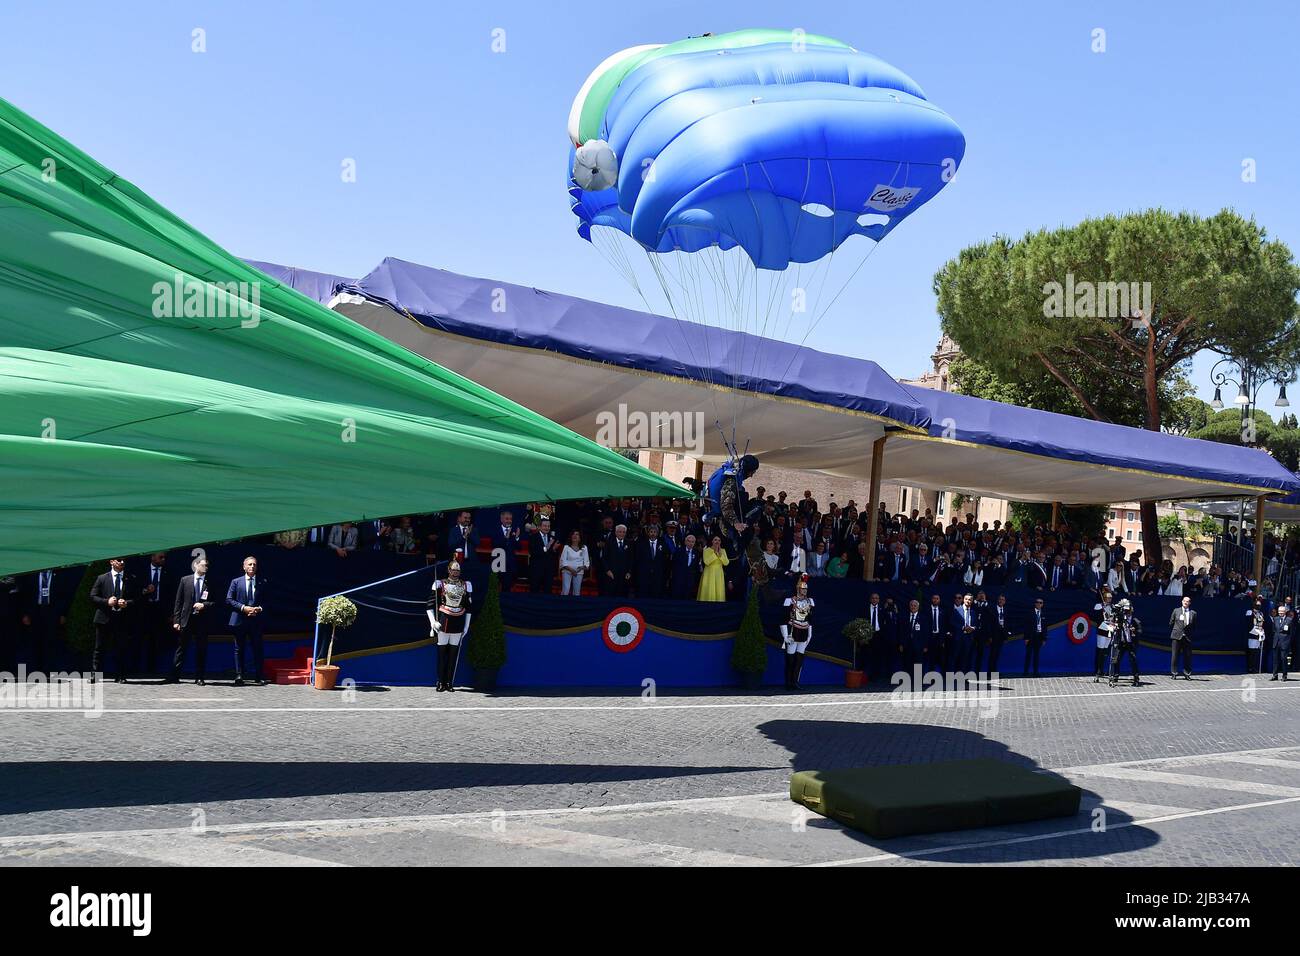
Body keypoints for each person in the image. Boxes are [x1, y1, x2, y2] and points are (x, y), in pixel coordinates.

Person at [426, 555, 472, 692]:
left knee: (453, 654)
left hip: (458, 620)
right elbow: (430, 606)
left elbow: (469, 608)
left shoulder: (466, 585)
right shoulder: (440, 583)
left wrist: (467, 625)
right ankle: (440, 681)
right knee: (442, 653)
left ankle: (449, 682)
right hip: (444, 619)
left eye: (458, 570)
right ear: (448, 570)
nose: (456, 572)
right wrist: (433, 622)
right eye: (453, 570)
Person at [170, 557, 217, 685]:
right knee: (181, 648)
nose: (205, 567)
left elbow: (215, 602)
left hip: (201, 621)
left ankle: (200, 677)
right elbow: (178, 602)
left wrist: (204, 605)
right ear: (196, 565)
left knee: (201, 649)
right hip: (186, 620)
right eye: (203, 565)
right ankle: (175, 676)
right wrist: (176, 620)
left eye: (207, 566)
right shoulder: (185, 580)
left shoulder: (210, 582)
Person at [89, 557, 134, 683]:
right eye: (119, 560)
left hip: (121, 619)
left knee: (121, 647)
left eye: (124, 560)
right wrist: (106, 602)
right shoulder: (102, 578)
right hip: (104, 618)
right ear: (112, 562)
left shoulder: (130, 578)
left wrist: (126, 603)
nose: (122, 563)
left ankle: (120, 675)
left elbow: (137, 598)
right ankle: (95, 675)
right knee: (99, 648)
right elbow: (93, 596)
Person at [227, 556, 266, 686]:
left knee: (257, 648)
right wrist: (244, 608)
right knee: (239, 648)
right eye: (249, 564)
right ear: (244, 566)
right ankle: (239, 675)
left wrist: (258, 608)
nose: (252, 567)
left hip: (255, 620)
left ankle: (259, 675)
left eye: (254, 564)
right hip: (240, 619)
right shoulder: (236, 582)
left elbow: (267, 600)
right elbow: (229, 599)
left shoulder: (262, 581)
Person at [136, 552, 170, 678]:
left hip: (159, 609)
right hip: (143, 609)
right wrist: (145, 591)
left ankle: (152, 668)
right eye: (160, 557)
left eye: (164, 557)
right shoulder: (141, 571)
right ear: (152, 557)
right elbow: (134, 589)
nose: (163, 559)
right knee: (138, 638)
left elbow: (171, 593)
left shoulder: (168, 572)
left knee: (155, 639)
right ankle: (135, 667)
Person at [780, 574, 814, 690]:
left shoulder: (810, 602)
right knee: (790, 659)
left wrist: (810, 634)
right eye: (802, 588)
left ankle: (795, 681)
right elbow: (783, 619)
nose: (804, 591)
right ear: (798, 589)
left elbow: (810, 620)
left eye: (806, 589)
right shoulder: (790, 601)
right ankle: (788, 682)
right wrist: (785, 636)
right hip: (793, 632)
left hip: (804, 631)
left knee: (799, 659)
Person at [1109, 598, 1142, 687]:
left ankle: (1136, 678)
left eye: (1128, 610)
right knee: (1116, 659)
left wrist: (1134, 631)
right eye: (1125, 610)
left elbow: (1140, 631)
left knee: (1133, 660)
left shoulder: (1135, 620)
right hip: (1121, 642)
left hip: (1130, 643)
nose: (1127, 612)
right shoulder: (1120, 619)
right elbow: (1112, 623)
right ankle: (1115, 676)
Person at [634, 524, 670, 598]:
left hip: (658, 576)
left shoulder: (663, 544)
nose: (653, 534)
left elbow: (666, 561)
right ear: (648, 533)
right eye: (651, 532)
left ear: (657, 533)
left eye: (655, 532)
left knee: (656, 595)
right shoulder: (641, 544)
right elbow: (637, 559)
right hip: (644, 576)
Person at [489, 510, 521, 591]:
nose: (509, 521)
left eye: (510, 519)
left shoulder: (514, 531)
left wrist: (517, 537)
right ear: (501, 519)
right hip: (498, 564)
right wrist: (506, 537)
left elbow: (519, 548)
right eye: (507, 519)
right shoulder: (495, 530)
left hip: (510, 566)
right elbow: (495, 545)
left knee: (507, 589)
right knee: (495, 589)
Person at [527, 517, 560, 594]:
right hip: (536, 570)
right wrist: (546, 547)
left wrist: (554, 549)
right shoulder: (533, 537)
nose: (547, 528)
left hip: (548, 571)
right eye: (545, 526)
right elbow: (534, 552)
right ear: (539, 527)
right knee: (534, 592)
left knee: (547, 592)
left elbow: (554, 555)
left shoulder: (552, 538)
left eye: (548, 526)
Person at [1168, 595, 1196, 680]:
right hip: (1176, 636)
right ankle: (1174, 673)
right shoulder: (1176, 611)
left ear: (1189, 603)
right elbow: (1171, 622)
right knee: (1174, 656)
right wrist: (1177, 630)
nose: (1185, 602)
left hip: (1187, 637)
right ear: (1182, 601)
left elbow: (1194, 625)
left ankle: (1187, 674)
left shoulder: (1193, 613)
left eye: (1187, 601)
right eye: (1184, 601)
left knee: (1187, 656)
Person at [602, 524, 634, 597]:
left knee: (623, 596)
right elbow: (604, 558)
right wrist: (607, 570)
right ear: (616, 533)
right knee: (611, 595)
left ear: (625, 533)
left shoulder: (629, 543)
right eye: (619, 532)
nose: (621, 534)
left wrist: (629, 572)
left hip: (624, 575)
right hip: (611, 574)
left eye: (623, 532)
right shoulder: (609, 542)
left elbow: (631, 559)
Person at [1092, 587, 1116, 683]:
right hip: (1102, 630)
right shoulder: (1099, 605)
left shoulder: (1112, 607)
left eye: (1110, 598)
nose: (1109, 600)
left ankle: (1102, 669)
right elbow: (1097, 616)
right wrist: (1103, 606)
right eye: (1108, 598)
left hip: (1109, 631)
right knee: (1100, 650)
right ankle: (1098, 670)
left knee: (1105, 651)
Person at [698, 535, 729, 602]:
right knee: (709, 590)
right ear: (712, 541)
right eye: (715, 540)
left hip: (719, 573)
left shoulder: (723, 551)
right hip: (709, 573)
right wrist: (714, 553)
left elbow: (726, 563)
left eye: (719, 540)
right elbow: (706, 562)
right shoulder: (706, 550)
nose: (717, 542)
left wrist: (720, 555)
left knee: (718, 591)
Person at [986, 593, 1011, 673]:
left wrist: (1006, 634)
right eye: (1000, 599)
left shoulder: (1006, 610)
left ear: (1005, 601)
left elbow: (1007, 623)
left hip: (1001, 635)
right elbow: (988, 623)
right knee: (992, 654)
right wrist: (989, 636)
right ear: (997, 600)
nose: (1001, 601)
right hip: (993, 635)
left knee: (997, 654)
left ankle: (994, 671)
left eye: (1003, 600)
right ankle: (990, 672)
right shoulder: (992, 609)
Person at [559, 531, 589, 596]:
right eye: (573, 534)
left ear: (580, 538)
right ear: (570, 537)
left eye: (577, 534)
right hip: (567, 570)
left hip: (579, 571)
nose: (575, 535)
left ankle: (575, 605)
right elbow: (562, 561)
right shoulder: (566, 547)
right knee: (566, 590)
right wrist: (571, 570)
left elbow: (587, 563)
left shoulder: (584, 547)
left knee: (577, 592)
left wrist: (580, 568)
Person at [1023, 596, 1047, 677]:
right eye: (1037, 602)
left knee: (1036, 655)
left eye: (1041, 603)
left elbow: (1045, 627)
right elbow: (1026, 626)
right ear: (1035, 604)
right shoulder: (1030, 613)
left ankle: (1035, 672)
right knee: (1028, 654)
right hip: (1031, 636)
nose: (1039, 604)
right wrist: (1026, 638)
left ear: (1042, 604)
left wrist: (1044, 638)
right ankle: (1025, 672)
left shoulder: (1043, 614)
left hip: (1039, 636)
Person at [1270, 604, 1293, 681]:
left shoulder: (1289, 620)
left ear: (1285, 612)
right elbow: (1273, 630)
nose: (1280, 613)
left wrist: (1288, 642)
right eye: (1279, 612)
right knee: (1275, 660)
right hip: (1276, 642)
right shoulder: (1275, 619)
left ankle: (1284, 675)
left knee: (1283, 659)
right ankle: (1275, 675)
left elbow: (1291, 632)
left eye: (1282, 612)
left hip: (1284, 642)